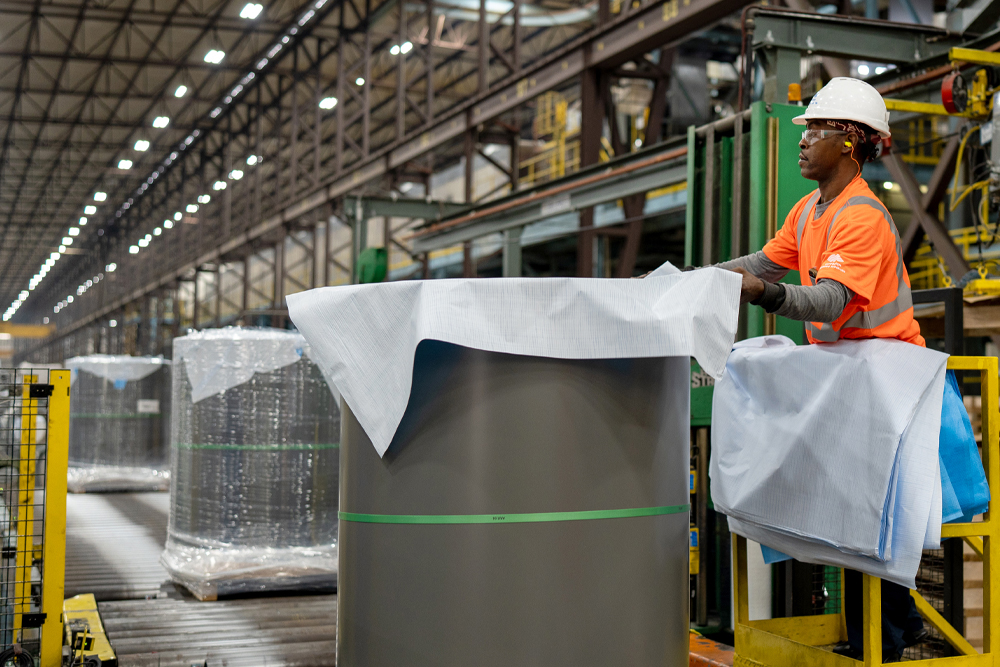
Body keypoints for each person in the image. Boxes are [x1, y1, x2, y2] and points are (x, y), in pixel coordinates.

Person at [716, 77, 926, 661]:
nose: (803, 141)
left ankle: (882, 642)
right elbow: (762, 262)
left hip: (889, 384)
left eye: (816, 130)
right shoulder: (809, 210)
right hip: (847, 378)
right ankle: (900, 626)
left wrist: (760, 292)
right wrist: (694, 281)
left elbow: (829, 300)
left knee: (868, 523)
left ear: (851, 142)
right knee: (847, 515)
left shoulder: (863, 217)